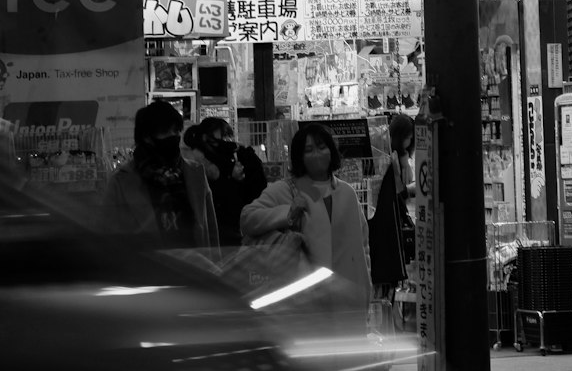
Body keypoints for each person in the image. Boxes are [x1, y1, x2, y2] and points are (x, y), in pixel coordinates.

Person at [239, 122, 372, 315]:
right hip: (304, 304)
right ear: (299, 157)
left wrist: (366, 287)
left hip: (349, 302)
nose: (316, 154)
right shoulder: (286, 190)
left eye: (321, 147)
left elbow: (363, 245)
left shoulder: (347, 193)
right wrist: (287, 213)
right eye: (308, 150)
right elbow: (248, 218)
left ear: (331, 150)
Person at [102, 99, 218, 252]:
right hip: (148, 272)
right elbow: (110, 239)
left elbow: (210, 230)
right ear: (147, 137)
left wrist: (216, 267)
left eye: (176, 131)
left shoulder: (195, 173)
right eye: (166, 132)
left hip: (196, 268)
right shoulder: (121, 181)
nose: (174, 136)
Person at [186, 118, 267, 246]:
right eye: (223, 136)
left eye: (228, 136)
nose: (227, 141)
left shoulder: (240, 156)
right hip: (218, 228)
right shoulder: (198, 163)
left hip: (234, 227)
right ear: (205, 138)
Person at [368, 113, 416, 296]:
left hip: (382, 228)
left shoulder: (385, 154)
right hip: (388, 231)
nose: (411, 142)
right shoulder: (394, 158)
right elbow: (401, 188)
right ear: (402, 136)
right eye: (410, 138)